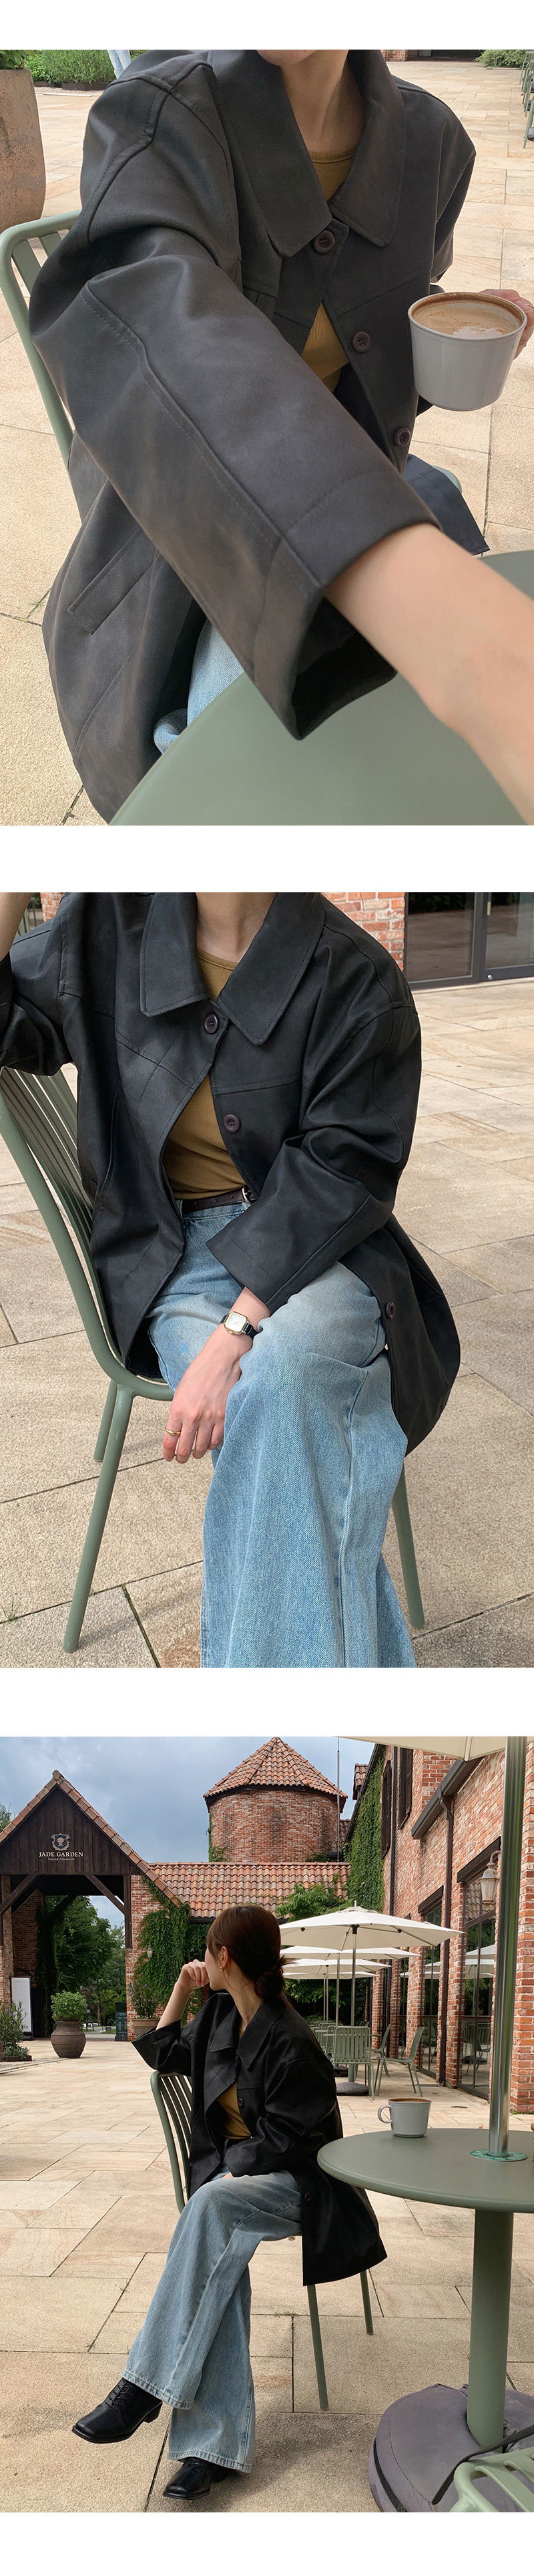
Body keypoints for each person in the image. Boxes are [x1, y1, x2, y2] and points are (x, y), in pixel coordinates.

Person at [27, 50, 534, 822]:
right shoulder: (154, 116)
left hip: (363, 481)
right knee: (246, 801)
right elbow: (159, 332)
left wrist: (454, 336)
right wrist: (474, 649)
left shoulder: (433, 143)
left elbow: (373, 340)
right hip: (169, 544)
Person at [0, 889, 460, 1669]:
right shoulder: (103, 924)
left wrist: (234, 1333)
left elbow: (343, 1172)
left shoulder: (356, 976)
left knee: (280, 1380)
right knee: (290, 1423)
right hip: (171, 1252)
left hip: (322, 1247)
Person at [71, 1905, 386, 2500]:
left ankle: (143, 2388)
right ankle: (209, 2450)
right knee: (221, 2260)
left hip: (301, 2185)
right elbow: (161, 2053)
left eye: (206, 1951)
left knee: (213, 2209)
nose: (202, 1960)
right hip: (234, 2182)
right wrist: (181, 1990)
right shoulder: (219, 2014)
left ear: (225, 1956)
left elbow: (288, 2140)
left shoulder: (292, 2039)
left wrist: (228, 2174)